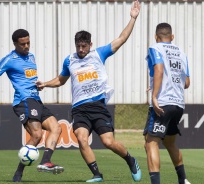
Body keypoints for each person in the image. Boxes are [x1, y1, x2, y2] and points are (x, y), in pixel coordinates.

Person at [36, 0, 142, 182]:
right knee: (81, 138)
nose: (80, 49)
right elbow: (61, 80)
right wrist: (45, 83)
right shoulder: (69, 60)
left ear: (90, 44)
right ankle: (97, 175)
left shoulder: (99, 54)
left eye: (84, 46)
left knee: (108, 142)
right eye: (78, 46)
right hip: (79, 108)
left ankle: (130, 160)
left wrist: (132, 18)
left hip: (98, 106)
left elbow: (121, 39)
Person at [0, 29, 64, 182]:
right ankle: (19, 173)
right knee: (36, 135)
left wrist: (39, 85)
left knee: (56, 128)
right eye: (23, 44)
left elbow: (28, 78)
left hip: (36, 100)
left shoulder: (31, 57)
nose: (27, 46)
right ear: (15, 44)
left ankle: (44, 162)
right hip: (23, 101)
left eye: (28, 42)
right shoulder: (9, 59)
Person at [143, 23, 191, 184]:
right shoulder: (182, 53)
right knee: (169, 142)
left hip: (162, 103)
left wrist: (155, 95)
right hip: (178, 104)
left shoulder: (155, 48)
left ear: (156, 37)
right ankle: (183, 180)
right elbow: (186, 82)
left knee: (151, 144)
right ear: (172, 37)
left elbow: (159, 69)